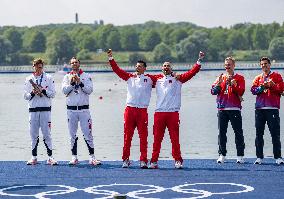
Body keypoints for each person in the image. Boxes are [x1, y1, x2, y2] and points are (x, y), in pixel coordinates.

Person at [149, 51, 205, 169]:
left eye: (168, 66)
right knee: (157, 139)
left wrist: (199, 61)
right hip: (159, 113)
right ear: (161, 68)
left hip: (173, 113)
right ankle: (153, 161)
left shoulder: (178, 79)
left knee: (175, 139)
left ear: (171, 68)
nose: (166, 67)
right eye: (164, 66)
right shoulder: (156, 79)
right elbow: (141, 78)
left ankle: (178, 160)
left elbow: (191, 73)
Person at [107, 49, 156, 169]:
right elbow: (117, 70)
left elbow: (164, 80)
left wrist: (174, 76)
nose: (137, 67)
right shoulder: (129, 77)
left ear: (145, 68)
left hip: (142, 111)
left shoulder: (150, 79)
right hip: (130, 110)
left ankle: (143, 160)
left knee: (143, 137)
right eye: (136, 66)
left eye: (140, 66)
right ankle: (125, 160)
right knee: (127, 136)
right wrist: (111, 58)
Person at [62, 57, 101, 166]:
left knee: (88, 134)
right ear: (70, 64)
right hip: (71, 110)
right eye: (72, 63)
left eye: (76, 62)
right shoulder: (66, 76)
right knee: (72, 134)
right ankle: (74, 157)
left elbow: (89, 90)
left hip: (84, 110)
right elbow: (64, 90)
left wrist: (80, 82)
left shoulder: (86, 76)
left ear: (79, 63)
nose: (74, 64)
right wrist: (72, 83)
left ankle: (92, 157)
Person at [211, 56, 245, 164]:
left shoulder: (240, 78)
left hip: (234, 108)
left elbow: (241, 92)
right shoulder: (220, 77)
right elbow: (213, 91)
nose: (227, 67)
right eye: (226, 65)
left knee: (238, 132)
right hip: (222, 108)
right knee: (221, 133)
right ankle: (222, 155)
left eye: (229, 64)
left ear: (234, 65)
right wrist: (219, 84)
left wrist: (234, 85)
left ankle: (240, 156)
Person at [24, 58, 57, 165]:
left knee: (47, 134)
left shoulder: (48, 77)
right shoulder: (29, 79)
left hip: (45, 110)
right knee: (33, 135)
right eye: (36, 66)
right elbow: (25, 96)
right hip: (33, 111)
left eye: (40, 66)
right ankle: (34, 157)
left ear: (42, 66)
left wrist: (43, 90)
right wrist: (33, 93)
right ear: (33, 67)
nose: (38, 68)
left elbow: (53, 94)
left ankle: (50, 157)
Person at [251, 57, 284, 165]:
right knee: (259, 134)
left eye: (266, 64)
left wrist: (272, 86)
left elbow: (281, 90)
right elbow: (253, 90)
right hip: (260, 109)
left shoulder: (277, 76)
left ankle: (278, 157)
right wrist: (261, 87)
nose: (264, 65)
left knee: (275, 134)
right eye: (262, 64)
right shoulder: (258, 78)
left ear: (269, 65)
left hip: (272, 109)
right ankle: (259, 157)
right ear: (260, 66)